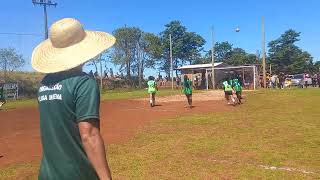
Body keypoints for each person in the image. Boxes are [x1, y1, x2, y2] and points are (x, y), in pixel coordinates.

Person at [31, 18, 114, 180]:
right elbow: (89, 135)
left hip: (47, 174)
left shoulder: (44, 84)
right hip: (78, 174)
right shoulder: (84, 83)